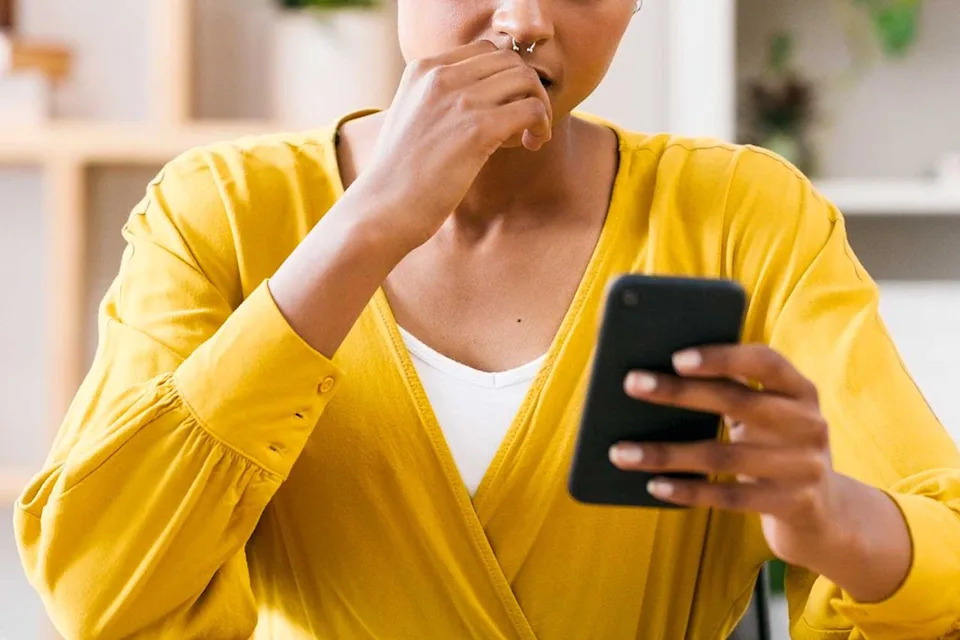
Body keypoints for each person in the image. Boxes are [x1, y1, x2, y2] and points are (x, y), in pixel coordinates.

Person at [14, 1, 960, 638]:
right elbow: (101, 586)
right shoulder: (217, 210)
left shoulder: (745, 214)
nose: (527, 22)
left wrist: (833, 519)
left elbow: (943, 540)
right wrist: (366, 228)